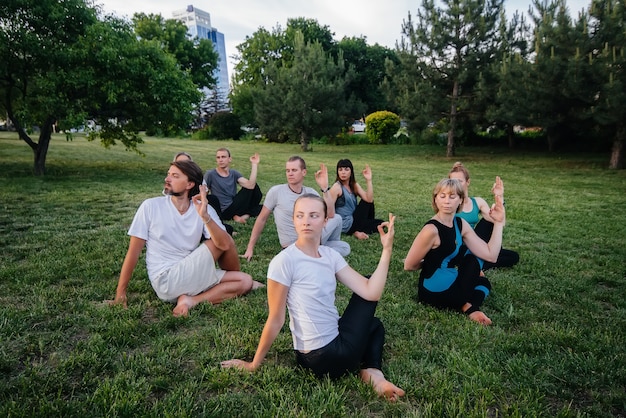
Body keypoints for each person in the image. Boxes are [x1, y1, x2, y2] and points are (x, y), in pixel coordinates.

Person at [222, 194, 405, 401]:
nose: (306, 221)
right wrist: (253, 364)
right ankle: (374, 374)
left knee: (374, 325)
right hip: (324, 356)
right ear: (293, 220)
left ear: (325, 221)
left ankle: (371, 372)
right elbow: (276, 318)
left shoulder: (330, 255)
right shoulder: (284, 261)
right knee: (371, 286)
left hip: (313, 356)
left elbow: (371, 292)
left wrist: (387, 249)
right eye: (300, 215)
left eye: (314, 215)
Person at [109, 160, 263, 317]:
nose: (167, 179)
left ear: (190, 184)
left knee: (245, 281)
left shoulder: (203, 209)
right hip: (166, 280)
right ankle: (217, 284)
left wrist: (204, 216)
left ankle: (191, 301)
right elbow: (133, 253)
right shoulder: (151, 206)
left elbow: (224, 243)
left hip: (190, 273)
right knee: (219, 241)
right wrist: (120, 293)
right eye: (168, 174)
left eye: (175, 176)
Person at [404, 178, 506, 325]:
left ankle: (468, 306)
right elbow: (409, 265)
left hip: (451, 287)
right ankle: (469, 305)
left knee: (484, 282)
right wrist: (429, 262)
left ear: (461, 200)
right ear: (435, 200)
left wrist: (498, 222)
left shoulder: (460, 224)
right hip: (433, 292)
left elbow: (491, 255)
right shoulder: (431, 230)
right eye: (442, 196)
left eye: (452, 197)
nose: (447, 201)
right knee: (472, 259)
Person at [242, 156, 350, 261]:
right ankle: (316, 254)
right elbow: (262, 219)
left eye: (294, 170)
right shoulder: (276, 191)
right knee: (340, 237)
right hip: (292, 244)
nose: (290, 173)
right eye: (287, 170)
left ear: (304, 172)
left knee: (344, 243)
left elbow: (330, 215)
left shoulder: (310, 192)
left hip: (311, 237)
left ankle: (316, 252)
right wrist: (250, 248)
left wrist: (325, 189)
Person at [448, 162, 519, 269]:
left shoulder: (478, 202)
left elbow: (500, 222)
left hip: (475, 243)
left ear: (468, 182)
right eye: (452, 182)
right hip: (459, 247)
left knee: (513, 256)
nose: (456, 184)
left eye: (460, 181)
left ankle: (478, 261)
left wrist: (499, 196)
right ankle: (476, 261)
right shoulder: (448, 203)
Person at [172, 151, 234, 236]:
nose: (183, 165)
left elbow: (205, 190)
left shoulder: (195, 176)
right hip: (183, 210)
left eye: (187, 162)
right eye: (180, 162)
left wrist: (200, 196)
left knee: (212, 199)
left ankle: (219, 224)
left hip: (197, 203)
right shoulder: (172, 179)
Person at [203, 148, 263, 224]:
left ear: (230, 159)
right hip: (224, 210)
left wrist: (254, 164)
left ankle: (243, 215)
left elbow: (251, 186)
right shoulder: (210, 174)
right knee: (258, 207)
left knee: (257, 193)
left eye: (223, 157)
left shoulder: (234, 173)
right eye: (218, 157)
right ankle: (239, 215)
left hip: (234, 204)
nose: (220, 160)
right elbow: (204, 193)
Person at [328, 159, 383, 240]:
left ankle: (359, 229)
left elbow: (370, 199)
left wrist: (368, 180)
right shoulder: (337, 187)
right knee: (367, 204)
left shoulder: (353, 185)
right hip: (346, 223)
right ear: (337, 172)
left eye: (346, 169)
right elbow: (328, 209)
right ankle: (356, 231)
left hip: (354, 218)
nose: (343, 172)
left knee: (380, 223)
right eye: (340, 170)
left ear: (351, 172)